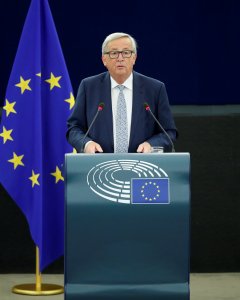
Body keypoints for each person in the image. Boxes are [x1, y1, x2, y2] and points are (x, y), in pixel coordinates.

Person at [66, 32, 177, 153]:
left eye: (126, 52)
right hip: (99, 165)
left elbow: (169, 132)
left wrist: (151, 145)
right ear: (104, 59)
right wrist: (87, 143)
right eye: (114, 53)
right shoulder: (88, 87)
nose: (120, 58)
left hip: (142, 164)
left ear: (134, 58)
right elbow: (74, 128)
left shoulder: (155, 89)